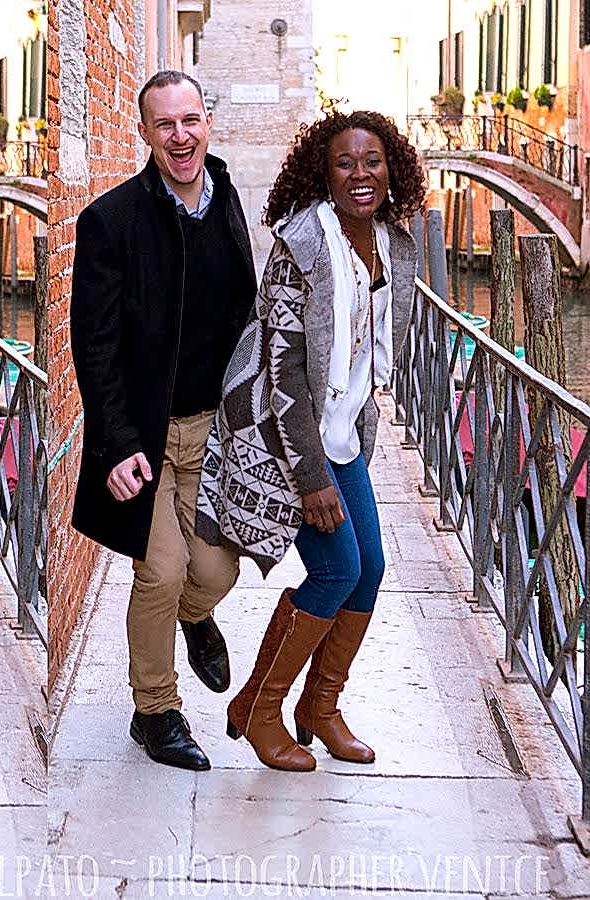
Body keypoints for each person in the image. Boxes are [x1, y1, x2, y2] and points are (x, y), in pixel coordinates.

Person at [198, 111, 424, 771]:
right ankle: (258, 708)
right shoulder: (302, 244)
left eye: (373, 160)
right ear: (322, 175)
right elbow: (283, 372)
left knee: (370, 569)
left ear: (392, 169)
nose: (361, 174)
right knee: (335, 569)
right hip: (284, 436)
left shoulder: (388, 241)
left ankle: (318, 708)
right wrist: (312, 479)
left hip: (342, 430)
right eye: (345, 163)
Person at [69, 70, 257, 772]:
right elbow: (94, 343)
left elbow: (246, 309)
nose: (181, 137)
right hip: (144, 437)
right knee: (162, 567)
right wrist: (116, 444)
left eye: (190, 121)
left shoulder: (227, 197)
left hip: (213, 429)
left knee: (215, 566)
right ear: (144, 133)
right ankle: (156, 711)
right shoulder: (110, 221)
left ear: (208, 122)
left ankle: (193, 615)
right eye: (165, 125)